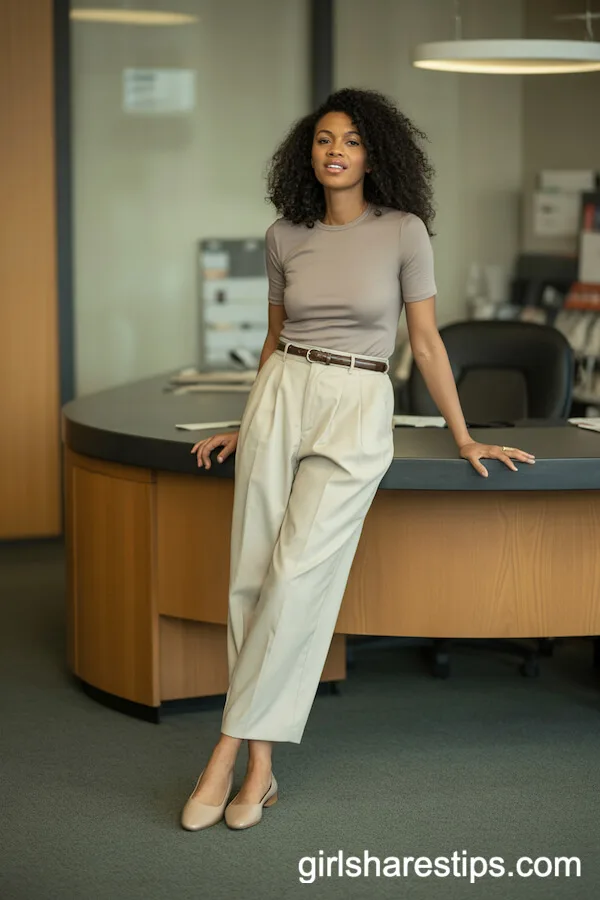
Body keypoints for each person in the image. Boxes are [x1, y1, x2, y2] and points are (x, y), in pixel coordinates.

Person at [180, 87, 535, 832]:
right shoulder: (283, 235)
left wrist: (463, 433)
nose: (334, 150)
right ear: (306, 154)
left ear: (376, 153)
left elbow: (428, 344)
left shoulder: (405, 232)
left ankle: (223, 747)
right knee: (249, 574)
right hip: (282, 393)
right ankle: (263, 770)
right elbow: (275, 342)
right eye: (322, 140)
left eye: (350, 140)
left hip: (357, 400)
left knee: (295, 577)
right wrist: (250, 420)